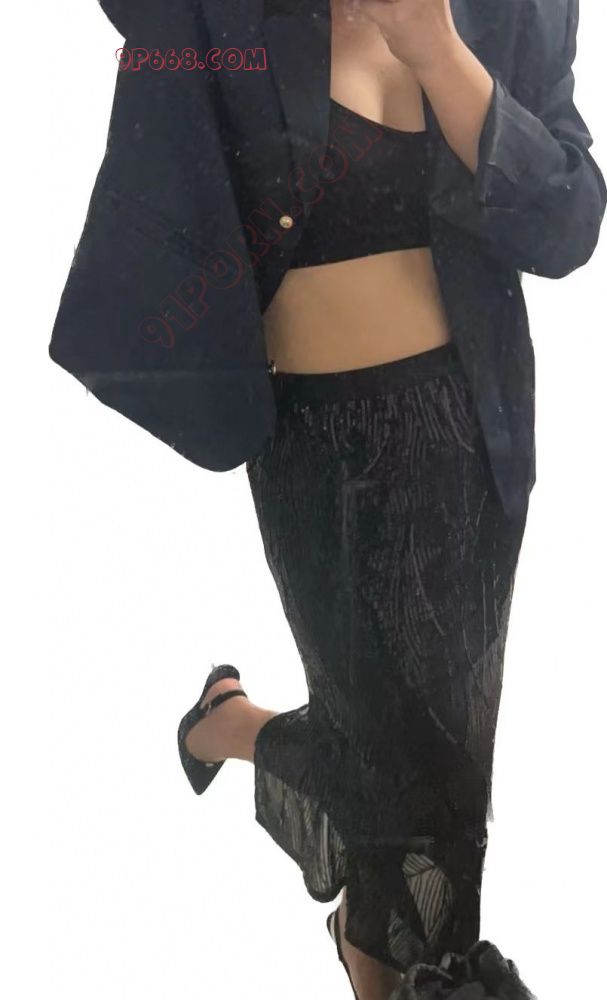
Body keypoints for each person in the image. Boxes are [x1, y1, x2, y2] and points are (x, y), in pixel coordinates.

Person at [51, 1, 606, 998]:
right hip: (316, 451)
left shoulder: (518, 11)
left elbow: (567, 224)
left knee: (441, 769)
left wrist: (438, 52)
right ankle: (393, 949)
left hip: (470, 435)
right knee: (401, 765)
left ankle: (234, 735)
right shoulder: (226, 15)